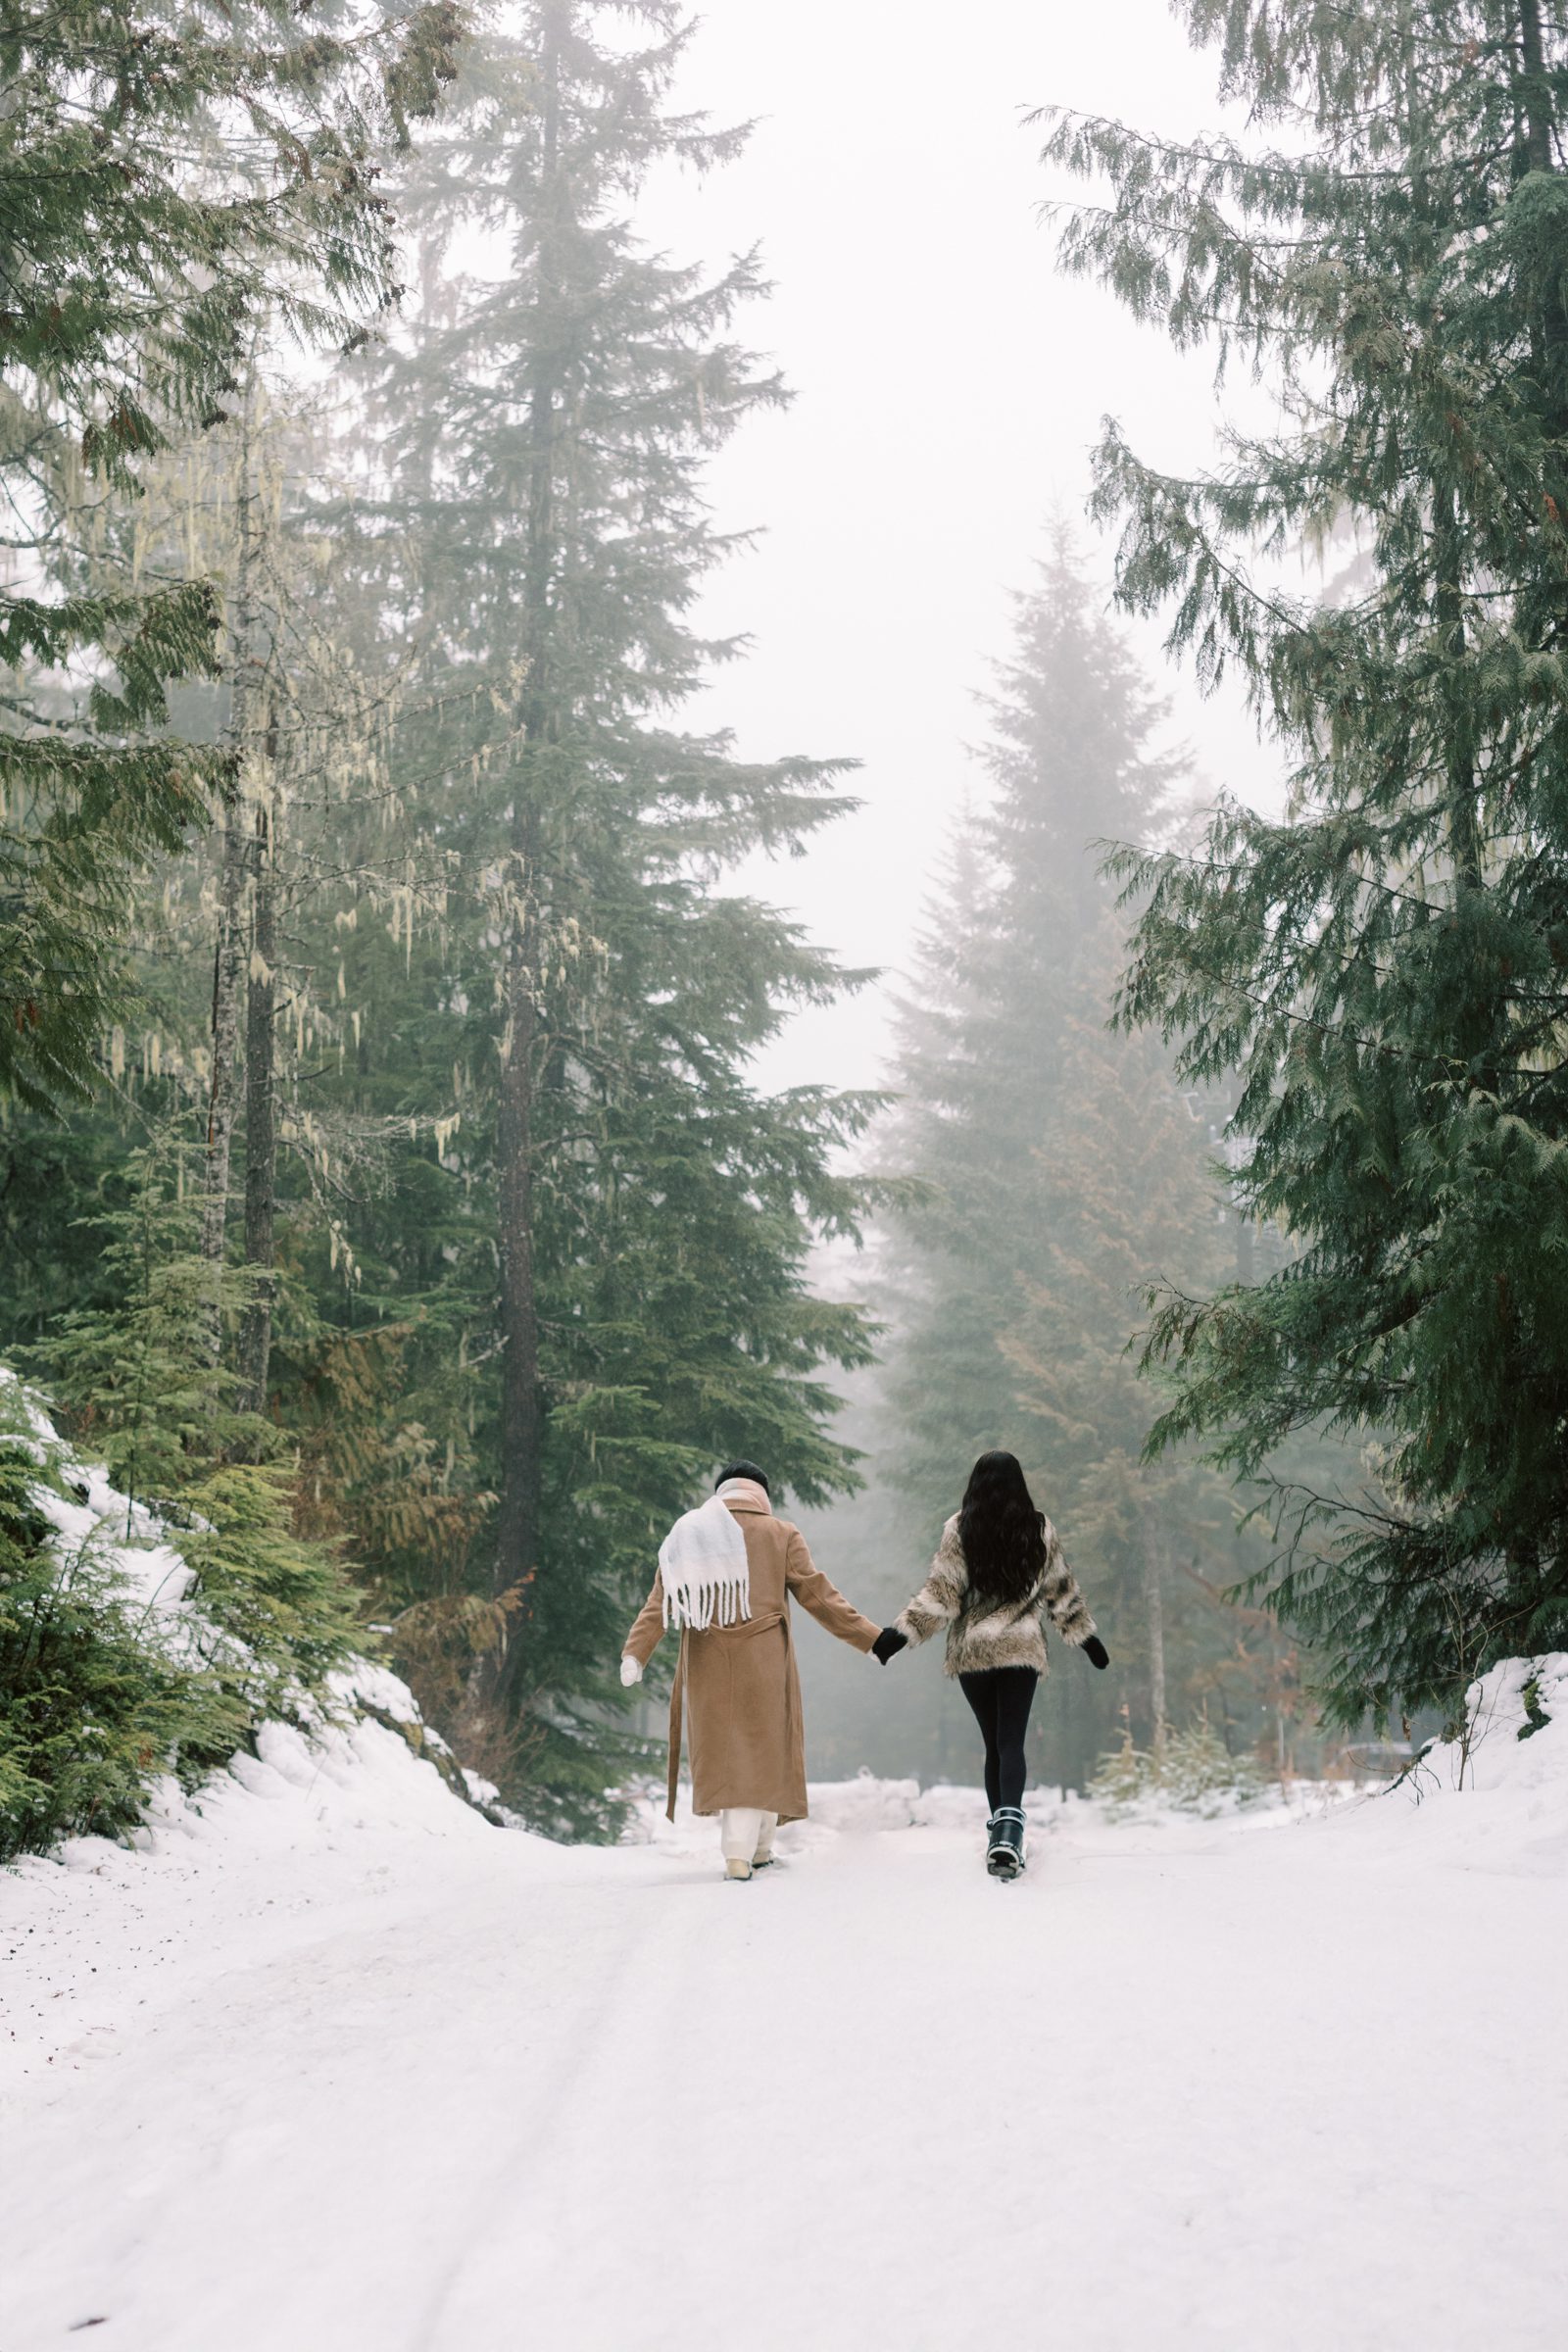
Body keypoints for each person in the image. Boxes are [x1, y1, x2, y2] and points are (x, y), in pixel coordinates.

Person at [620, 1460, 895, 1881]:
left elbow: (660, 1601)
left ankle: (759, 1848)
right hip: (765, 1659)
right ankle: (742, 1853)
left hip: (708, 1659)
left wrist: (635, 1654)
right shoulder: (780, 1533)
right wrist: (871, 1639)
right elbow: (818, 1596)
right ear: (761, 1494)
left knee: (732, 1753)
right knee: (765, 1748)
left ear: (721, 1493)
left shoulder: (689, 1533)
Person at [877, 1448, 1109, 1879]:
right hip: (1021, 1651)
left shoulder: (961, 1528)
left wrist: (899, 1635)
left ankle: (1000, 1835)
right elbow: (1061, 1590)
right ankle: (1008, 1832)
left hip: (975, 1653)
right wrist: (1087, 1639)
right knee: (1011, 1742)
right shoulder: (1038, 1528)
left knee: (992, 1745)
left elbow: (943, 1594)